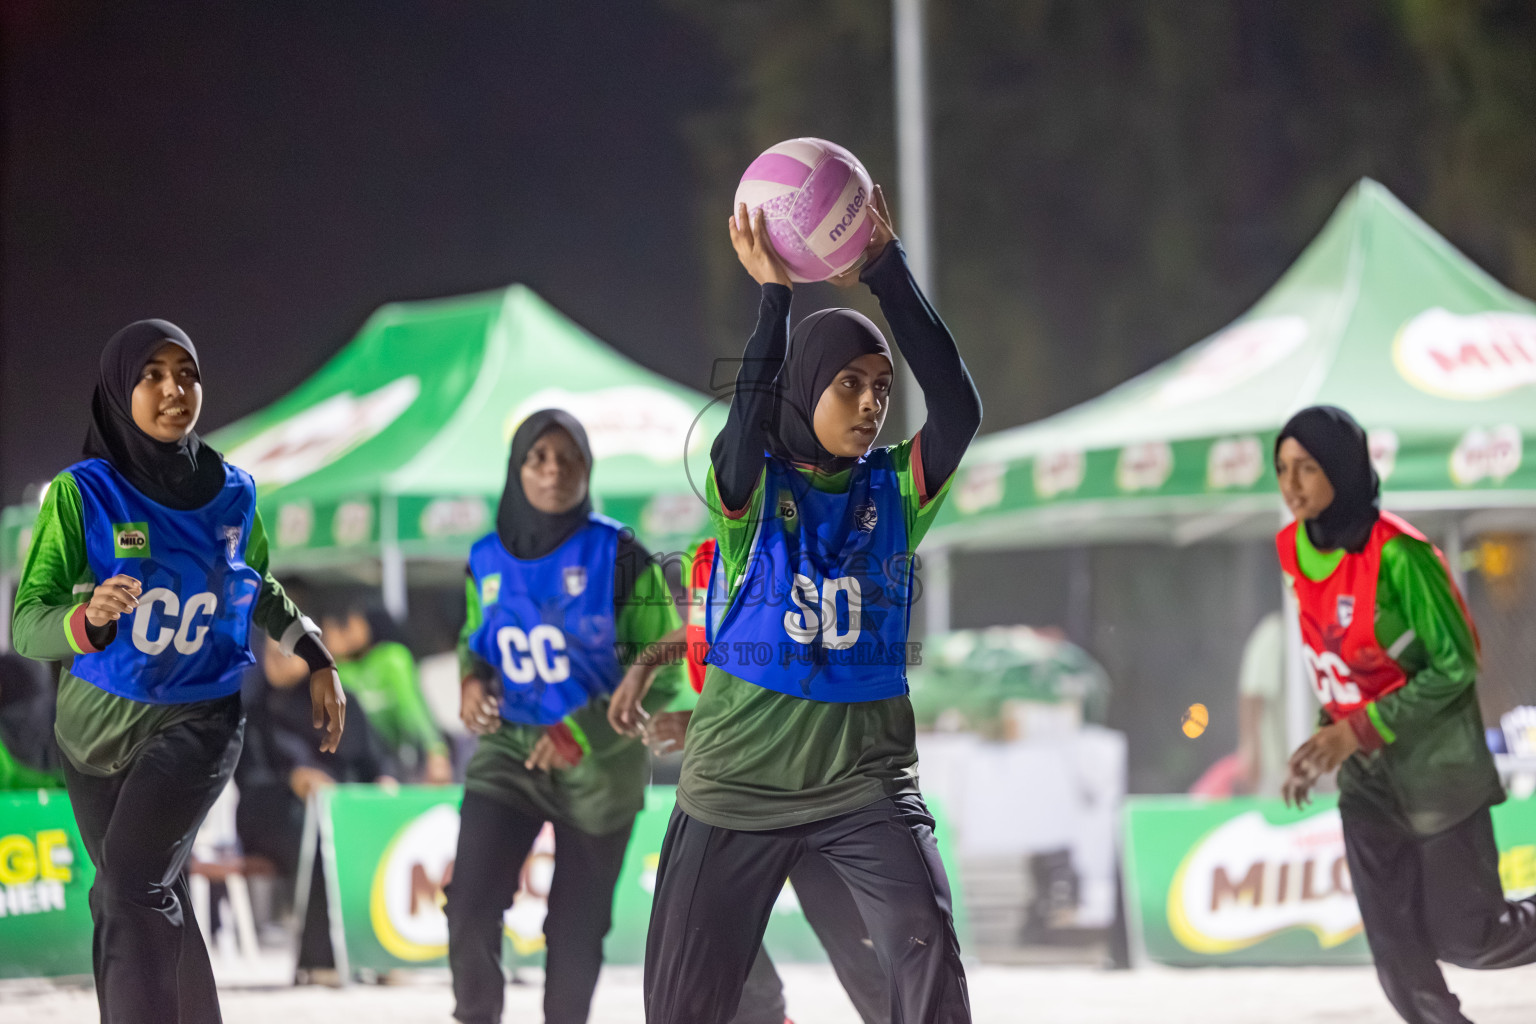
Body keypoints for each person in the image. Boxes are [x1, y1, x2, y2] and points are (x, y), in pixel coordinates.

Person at [641, 190, 982, 1024]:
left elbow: (961, 409)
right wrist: (774, 299)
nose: (871, 404)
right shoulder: (753, 493)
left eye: (880, 388)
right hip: (735, 786)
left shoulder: (899, 487)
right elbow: (740, 433)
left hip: (863, 783)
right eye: (848, 385)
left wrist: (884, 270)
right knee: (681, 1009)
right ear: (803, 388)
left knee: (927, 959)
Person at [9, 319, 345, 1024]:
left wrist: (314, 651)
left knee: (131, 887)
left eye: (187, 373)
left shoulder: (234, 492)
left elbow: (258, 586)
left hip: (201, 715)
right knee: (138, 893)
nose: (174, 389)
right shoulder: (82, 495)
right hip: (92, 732)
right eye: (152, 375)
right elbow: (28, 622)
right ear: (117, 389)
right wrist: (88, 620)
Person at [1274, 405, 1536, 1024]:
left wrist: (1356, 730)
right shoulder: (1291, 548)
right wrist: (1323, 743)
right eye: (1282, 469)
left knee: (1469, 936)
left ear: (1342, 467)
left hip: (1438, 776)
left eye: (1308, 468)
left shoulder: (1401, 554)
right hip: (1369, 782)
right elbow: (1333, 659)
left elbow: (1457, 665)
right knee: (1397, 953)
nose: (1292, 485)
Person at [445, 409, 688, 1024]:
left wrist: (582, 731)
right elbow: (475, 638)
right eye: (538, 457)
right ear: (516, 468)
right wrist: (472, 680)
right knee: (469, 905)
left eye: (568, 457)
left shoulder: (622, 553)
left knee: (574, 931)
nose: (554, 470)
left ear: (587, 467)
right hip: (510, 750)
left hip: (600, 769)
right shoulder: (483, 558)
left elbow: (665, 675)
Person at [612, 538, 888, 1024]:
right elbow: (705, 628)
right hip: (736, 782)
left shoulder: (807, 541)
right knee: (703, 920)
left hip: (817, 783)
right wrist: (646, 663)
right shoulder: (711, 553)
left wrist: (699, 719)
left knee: (858, 943)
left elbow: (797, 665)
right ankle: (764, 1013)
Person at [236, 634, 396, 981]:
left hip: (343, 810)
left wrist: (384, 778)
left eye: (288, 652)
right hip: (272, 812)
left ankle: (380, 955)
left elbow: (375, 760)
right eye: (270, 652)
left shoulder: (341, 701)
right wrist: (294, 780)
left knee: (376, 836)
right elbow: (248, 777)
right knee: (322, 841)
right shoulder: (255, 708)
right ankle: (321, 960)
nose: (277, 660)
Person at [321, 597, 453, 783]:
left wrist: (435, 749)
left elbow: (411, 707)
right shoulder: (343, 670)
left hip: (404, 754)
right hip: (362, 763)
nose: (348, 629)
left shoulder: (392, 658)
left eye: (355, 622)